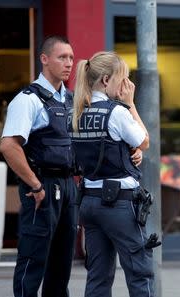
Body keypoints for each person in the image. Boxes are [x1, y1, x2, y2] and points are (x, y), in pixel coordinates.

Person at [70, 51, 155, 297]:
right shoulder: (116, 112)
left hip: (89, 202)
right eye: (123, 79)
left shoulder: (76, 112)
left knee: (98, 276)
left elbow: (102, 148)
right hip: (119, 204)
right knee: (140, 273)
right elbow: (145, 139)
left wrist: (131, 151)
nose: (126, 85)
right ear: (107, 81)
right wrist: (131, 104)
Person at [0, 35, 77, 297]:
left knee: (61, 264)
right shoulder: (28, 99)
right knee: (33, 259)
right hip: (42, 188)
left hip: (68, 188)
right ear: (44, 59)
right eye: (62, 57)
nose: (68, 63)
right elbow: (9, 146)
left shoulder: (70, 100)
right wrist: (35, 184)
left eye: (70, 57)